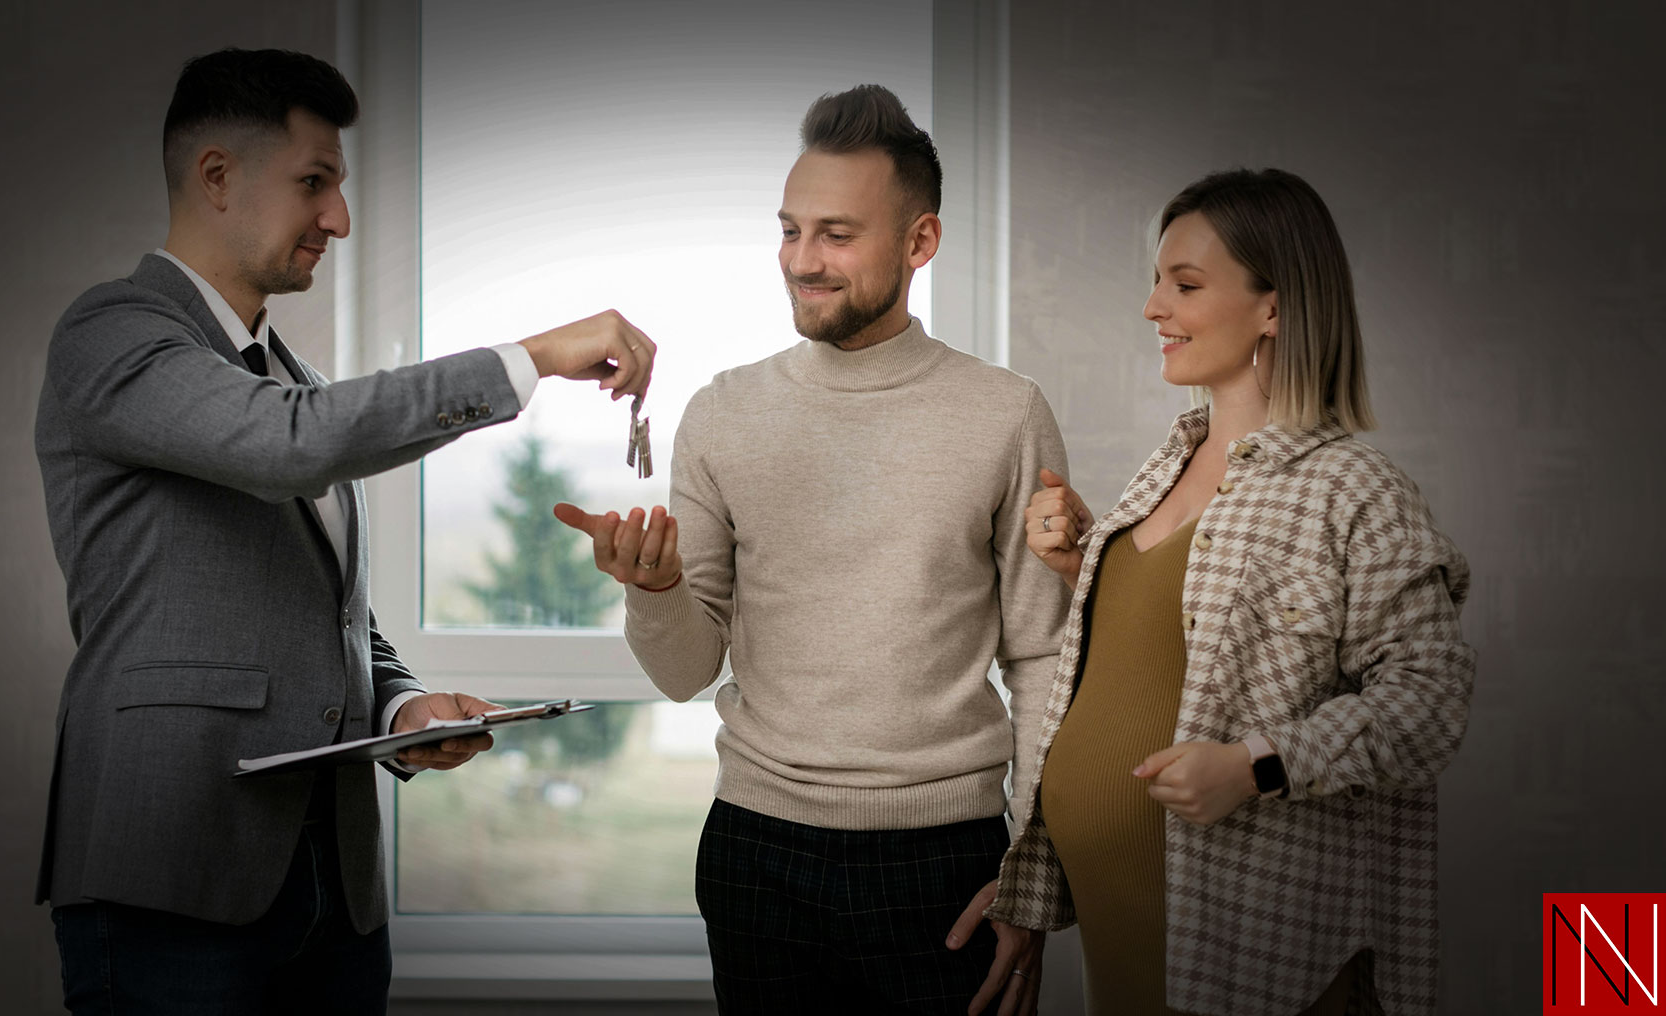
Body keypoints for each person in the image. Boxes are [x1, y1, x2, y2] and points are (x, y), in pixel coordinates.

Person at [34, 48, 657, 1014]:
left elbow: (330, 617)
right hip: (173, 875)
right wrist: (530, 359)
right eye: (314, 183)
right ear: (216, 177)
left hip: (335, 894)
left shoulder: (296, 386)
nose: (339, 218)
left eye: (341, 186)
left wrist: (401, 711)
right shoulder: (112, 335)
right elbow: (291, 447)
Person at [553, 85, 1077, 1015]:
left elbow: (1041, 657)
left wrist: (1034, 871)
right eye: (789, 231)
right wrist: (656, 591)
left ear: (921, 242)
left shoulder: (1005, 413)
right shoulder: (723, 412)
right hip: (756, 852)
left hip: (945, 858)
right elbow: (683, 672)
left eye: (836, 234)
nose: (803, 261)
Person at [982, 168, 1475, 1016]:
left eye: (1185, 284)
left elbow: (1428, 703)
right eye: (1156, 281)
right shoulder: (1164, 466)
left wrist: (1257, 768)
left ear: (1274, 308)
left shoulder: (1354, 490)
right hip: (1122, 936)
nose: (1152, 308)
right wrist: (1087, 571)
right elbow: (1172, 651)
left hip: (1255, 959)